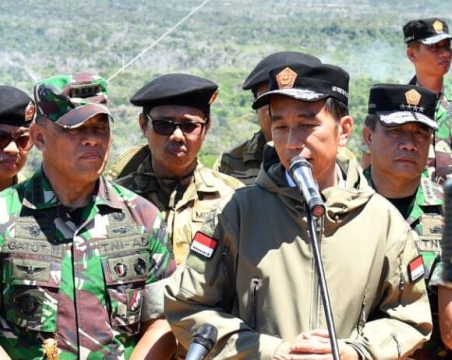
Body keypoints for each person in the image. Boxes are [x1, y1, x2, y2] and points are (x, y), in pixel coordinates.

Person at [164, 61, 432, 359]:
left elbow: (410, 317)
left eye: (307, 126)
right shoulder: (235, 213)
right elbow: (187, 306)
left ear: (343, 131)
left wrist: (355, 351)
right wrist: (271, 351)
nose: (292, 143)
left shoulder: (382, 221)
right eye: (280, 127)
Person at [0, 73, 177, 359]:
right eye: (75, 129)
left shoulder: (143, 218)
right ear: (39, 137)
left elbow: (164, 323)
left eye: (100, 128)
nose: (92, 140)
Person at [112, 73, 241, 266]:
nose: (178, 136)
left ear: (206, 128)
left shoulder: (233, 198)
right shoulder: (114, 200)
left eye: (190, 126)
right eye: (164, 125)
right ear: (143, 125)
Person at [362, 83, 448, 358]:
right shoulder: (335, 208)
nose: (409, 144)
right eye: (395, 131)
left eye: (421, 133)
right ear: (368, 137)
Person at [213, 51, 321, 184]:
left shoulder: (338, 161)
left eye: (297, 104)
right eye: (269, 102)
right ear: (255, 106)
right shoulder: (231, 161)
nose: (282, 111)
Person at [364, 18, 452, 179]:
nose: (445, 53)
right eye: (435, 47)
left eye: (447, 46)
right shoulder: (394, 110)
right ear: (412, 54)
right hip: (410, 203)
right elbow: (372, 167)